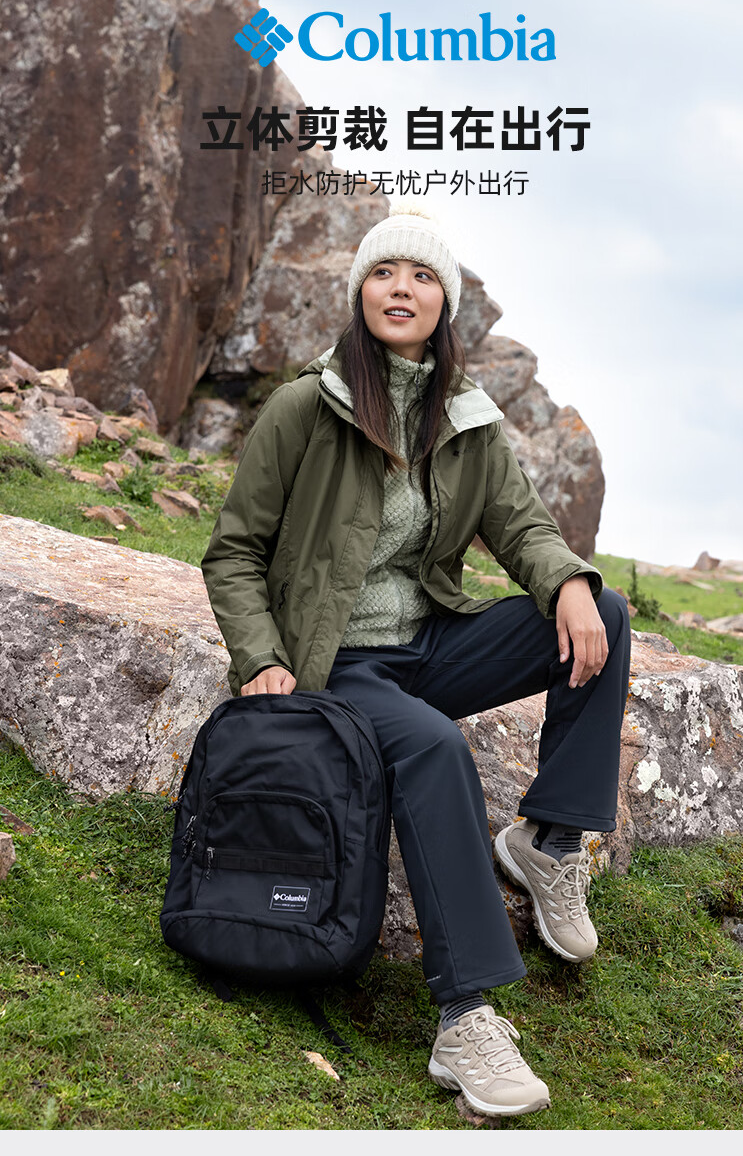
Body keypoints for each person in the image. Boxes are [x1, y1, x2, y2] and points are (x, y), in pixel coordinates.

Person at [200, 202, 631, 1119]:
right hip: (336, 664)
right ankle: (464, 1018)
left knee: (604, 610)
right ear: (362, 292)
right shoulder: (305, 407)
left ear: (446, 304)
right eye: (385, 272)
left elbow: (523, 526)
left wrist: (565, 581)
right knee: (434, 747)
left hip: (429, 642)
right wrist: (260, 658)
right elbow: (233, 550)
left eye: (423, 276)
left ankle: (550, 842)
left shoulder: (467, 419)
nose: (402, 288)